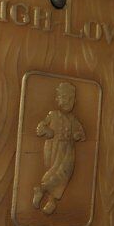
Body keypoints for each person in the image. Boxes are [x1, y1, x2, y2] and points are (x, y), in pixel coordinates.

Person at [33, 82, 85, 215]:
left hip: (68, 151)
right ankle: (46, 195)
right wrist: (45, 130)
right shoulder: (52, 115)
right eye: (64, 97)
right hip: (53, 148)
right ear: (57, 99)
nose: (68, 101)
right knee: (54, 172)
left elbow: (80, 132)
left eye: (71, 98)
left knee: (64, 174)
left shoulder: (73, 119)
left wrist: (78, 135)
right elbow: (41, 127)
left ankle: (47, 196)